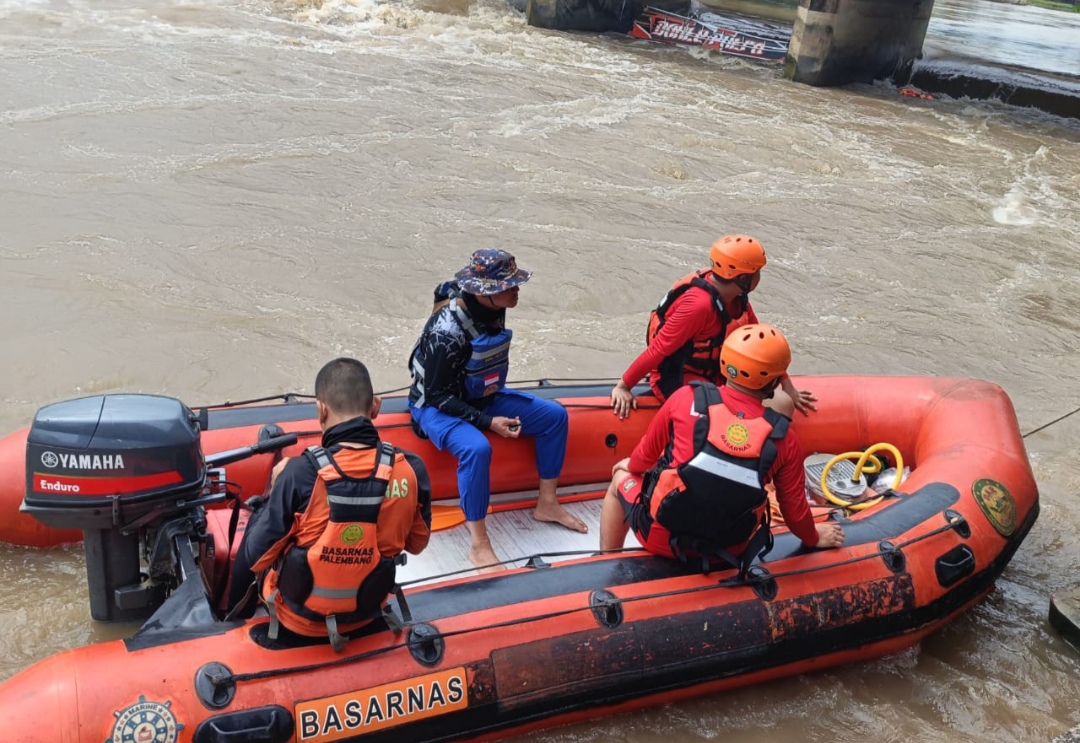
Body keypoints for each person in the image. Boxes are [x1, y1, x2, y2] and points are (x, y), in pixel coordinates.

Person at [599, 323, 843, 572]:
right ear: (774, 383)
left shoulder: (685, 398)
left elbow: (644, 458)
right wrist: (813, 537)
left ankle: (603, 567)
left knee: (621, 477)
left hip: (661, 538)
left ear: (725, 364)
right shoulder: (785, 439)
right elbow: (794, 511)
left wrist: (630, 466)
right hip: (730, 548)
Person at [229, 357, 432, 651]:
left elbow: (256, 556)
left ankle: (230, 621)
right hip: (366, 613)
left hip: (298, 621)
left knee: (259, 517)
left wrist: (274, 493)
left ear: (321, 410)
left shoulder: (299, 473)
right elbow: (417, 544)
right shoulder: (412, 469)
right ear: (375, 407)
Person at [407, 248, 587, 571]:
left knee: (555, 417)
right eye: (508, 285)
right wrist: (488, 422)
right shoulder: (447, 331)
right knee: (477, 449)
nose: (516, 289)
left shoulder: (493, 307)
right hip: (436, 406)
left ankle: (547, 503)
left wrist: (485, 411)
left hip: (479, 395)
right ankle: (479, 545)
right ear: (484, 292)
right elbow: (435, 395)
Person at [610, 234, 816, 419]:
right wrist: (624, 386)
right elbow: (658, 350)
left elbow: (760, 344)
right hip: (677, 378)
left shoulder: (736, 296)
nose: (760, 277)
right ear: (743, 278)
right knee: (770, 407)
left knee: (784, 403)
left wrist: (789, 387)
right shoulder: (698, 307)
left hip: (712, 373)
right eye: (758, 271)